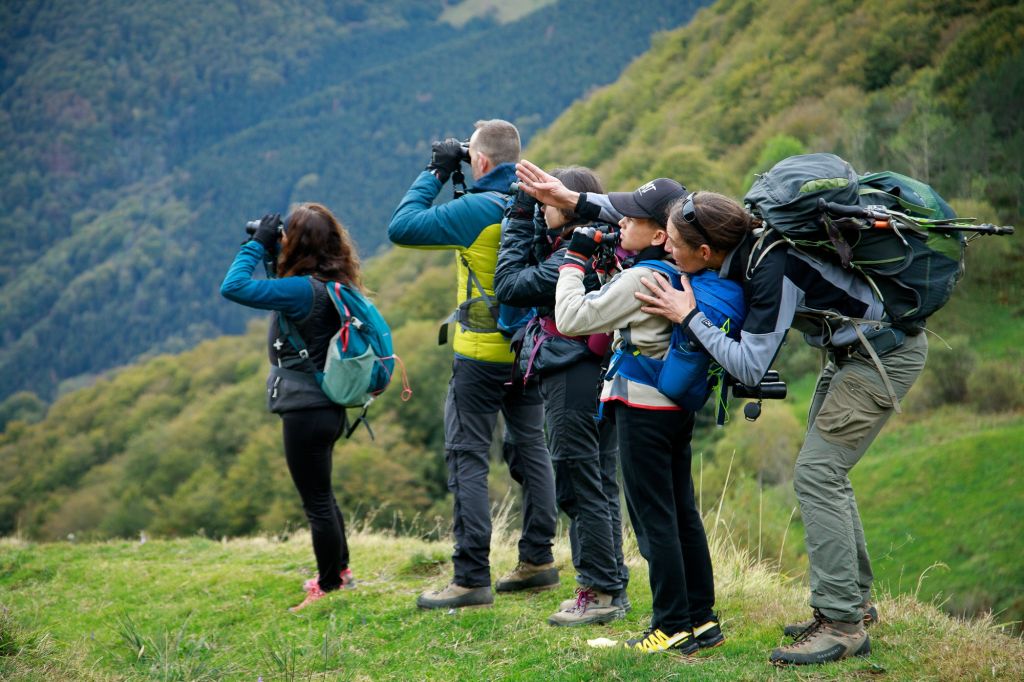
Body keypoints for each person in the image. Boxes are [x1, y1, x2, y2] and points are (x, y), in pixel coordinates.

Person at [627, 185, 928, 665]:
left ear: (705, 252)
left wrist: (690, 317)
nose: (665, 247)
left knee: (817, 473)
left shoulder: (771, 266)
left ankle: (842, 625)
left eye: (674, 243)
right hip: (853, 352)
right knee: (826, 472)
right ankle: (854, 605)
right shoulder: (748, 251)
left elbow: (749, 366)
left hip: (884, 354)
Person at [515, 162, 730, 654]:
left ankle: (671, 625)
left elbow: (570, 318)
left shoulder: (644, 280)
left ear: (660, 235)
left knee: (655, 519)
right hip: (676, 406)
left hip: (643, 409)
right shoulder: (682, 269)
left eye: (632, 219)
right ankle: (701, 619)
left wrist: (573, 260)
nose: (621, 224)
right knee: (682, 514)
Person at [388, 120, 558, 609]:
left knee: (467, 456)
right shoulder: (538, 201)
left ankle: (469, 579)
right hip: (530, 348)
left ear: (478, 161)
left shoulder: (475, 210)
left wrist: (436, 170)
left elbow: (401, 226)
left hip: (480, 354)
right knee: (531, 449)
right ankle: (538, 560)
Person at [494, 166, 630, 627]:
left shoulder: (575, 254)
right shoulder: (595, 240)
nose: (541, 208)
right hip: (593, 368)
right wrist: (531, 211)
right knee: (599, 480)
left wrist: (514, 217)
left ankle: (598, 591)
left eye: (548, 202)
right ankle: (611, 584)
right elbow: (533, 258)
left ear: (569, 206)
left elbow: (510, 285)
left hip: (572, 368)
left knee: (577, 482)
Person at [220, 203, 361, 612]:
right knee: (324, 493)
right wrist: (271, 255)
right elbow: (285, 304)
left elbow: (233, 287)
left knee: (316, 502)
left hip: (304, 410)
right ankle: (341, 570)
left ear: (297, 242)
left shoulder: (303, 289)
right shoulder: (333, 283)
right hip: (328, 405)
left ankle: (329, 585)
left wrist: (255, 245)